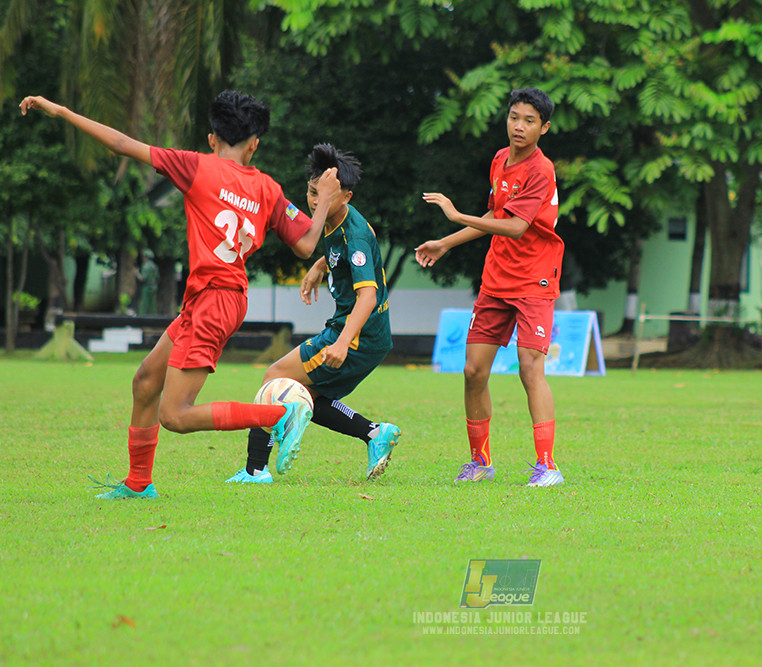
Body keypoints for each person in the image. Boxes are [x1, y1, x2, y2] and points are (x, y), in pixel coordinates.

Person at [20, 91, 340, 499]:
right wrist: (324, 200)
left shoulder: (196, 166)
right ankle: (138, 484)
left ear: (212, 138)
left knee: (176, 415)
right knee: (145, 383)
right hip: (215, 299)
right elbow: (306, 245)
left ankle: (280, 414)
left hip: (214, 301)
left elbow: (122, 144)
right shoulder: (267, 189)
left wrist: (62, 111)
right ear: (254, 143)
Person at [416, 88, 565, 487]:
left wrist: (453, 214)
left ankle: (547, 466)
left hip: (534, 280)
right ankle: (480, 462)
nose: (519, 126)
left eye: (529, 120)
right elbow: (495, 214)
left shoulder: (541, 170)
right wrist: (446, 242)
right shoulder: (500, 159)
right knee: (472, 371)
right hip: (497, 279)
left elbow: (516, 227)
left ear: (544, 128)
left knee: (531, 368)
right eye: (514, 117)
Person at [226, 144, 400, 484]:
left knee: (274, 376)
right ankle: (374, 433)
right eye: (311, 192)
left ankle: (255, 469)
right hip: (366, 334)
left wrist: (342, 343)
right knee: (311, 396)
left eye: (324, 195)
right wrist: (321, 265)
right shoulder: (339, 221)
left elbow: (368, 296)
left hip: (356, 333)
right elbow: (342, 251)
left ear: (345, 195)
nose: (315, 201)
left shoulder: (356, 233)